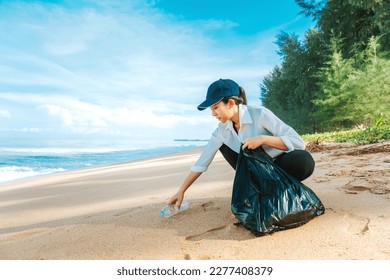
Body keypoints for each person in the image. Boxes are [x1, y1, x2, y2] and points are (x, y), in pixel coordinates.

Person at [167, 78, 315, 208]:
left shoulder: (259, 114)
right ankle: (262, 190)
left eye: (215, 108)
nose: (213, 114)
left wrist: (263, 139)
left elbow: (298, 142)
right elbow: (202, 162)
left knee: (304, 160)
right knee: (222, 144)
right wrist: (181, 191)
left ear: (230, 103)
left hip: (281, 165)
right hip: (256, 171)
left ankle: (279, 187)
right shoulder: (222, 130)